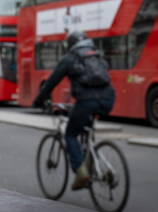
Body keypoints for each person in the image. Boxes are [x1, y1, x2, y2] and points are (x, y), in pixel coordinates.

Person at [33, 31, 115, 191]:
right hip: (108, 99)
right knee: (86, 129)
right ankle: (92, 163)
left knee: (71, 133)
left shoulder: (70, 59)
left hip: (87, 101)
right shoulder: (96, 55)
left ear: (70, 45)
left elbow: (51, 82)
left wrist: (38, 100)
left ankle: (81, 170)